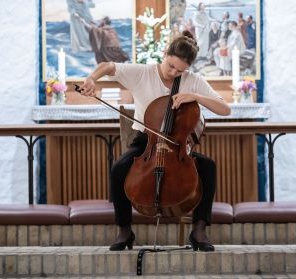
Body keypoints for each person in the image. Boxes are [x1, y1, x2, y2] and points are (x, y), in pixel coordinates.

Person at [80, 31, 231, 252]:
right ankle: (124, 230)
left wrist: (196, 97)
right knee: (119, 168)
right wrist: (91, 79)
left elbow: (224, 109)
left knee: (208, 167)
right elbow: (108, 66)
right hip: (146, 141)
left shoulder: (193, 81)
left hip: (178, 145)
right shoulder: (142, 73)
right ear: (165, 54)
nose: (174, 73)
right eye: (171, 66)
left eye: (181, 70)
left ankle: (199, 230)